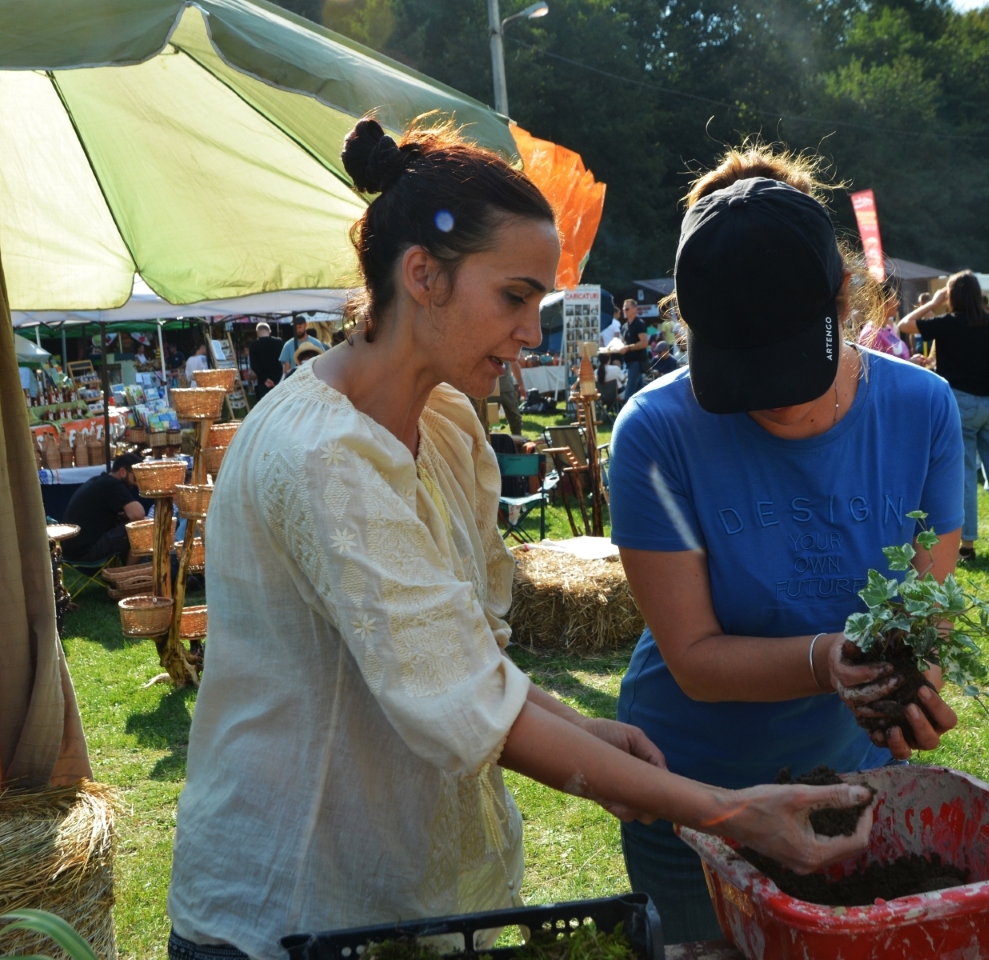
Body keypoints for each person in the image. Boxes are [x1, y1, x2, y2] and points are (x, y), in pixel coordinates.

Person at [167, 118, 875, 960]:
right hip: (288, 909)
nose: (533, 332)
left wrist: (579, 724)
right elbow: (466, 708)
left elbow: (463, 652)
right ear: (422, 275)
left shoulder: (444, 422)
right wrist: (724, 810)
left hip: (396, 901)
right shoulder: (326, 456)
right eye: (514, 296)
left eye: (538, 301)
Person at [609, 146, 963, 945]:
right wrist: (825, 661)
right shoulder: (655, 434)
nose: (770, 404)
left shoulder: (923, 411)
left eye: (788, 369)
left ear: (843, 297)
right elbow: (695, 656)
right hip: (694, 798)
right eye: (743, 373)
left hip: (849, 785)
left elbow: (926, 607)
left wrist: (913, 685)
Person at [900, 272, 989, 559]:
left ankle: (968, 545)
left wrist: (934, 302)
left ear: (951, 296)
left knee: (965, 477)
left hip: (960, 406)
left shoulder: (948, 324)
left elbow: (905, 325)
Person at [61, 453, 146, 562]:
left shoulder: (101, 481)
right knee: (142, 529)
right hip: (84, 552)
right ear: (122, 472)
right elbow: (138, 514)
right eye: (136, 478)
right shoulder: (113, 485)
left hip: (71, 551)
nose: (137, 484)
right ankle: (129, 576)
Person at [856, 294, 912, 360]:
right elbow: (875, 367)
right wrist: (910, 362)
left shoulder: (888, 328)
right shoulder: (870, 334)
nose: (898, 303)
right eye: (893, 299)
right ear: (881, 303)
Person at [615, 299, 650, 400]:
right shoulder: (625, 326)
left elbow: (644, 343)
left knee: (629, 393)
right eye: (623, 309)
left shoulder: (639, 324)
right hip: (629, 362)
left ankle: (628, 415)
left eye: (627, 309)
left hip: (637, 362)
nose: (624, 311)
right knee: (640, 393)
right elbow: (623, 341)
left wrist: (628, 348)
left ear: (635, 309)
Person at [247, 321, 285, 402]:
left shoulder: (253, 345)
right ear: (269, 331)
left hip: (262, 381)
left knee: (265, 406)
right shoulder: (279, 342)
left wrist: (264, 379)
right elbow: (283, 360)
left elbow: (253, 365)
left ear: (257, 332)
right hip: (278, 379)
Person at [280, 315, 313, 379]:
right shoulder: (288, 345)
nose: (298, 330)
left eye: (300, 327)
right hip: (295, 381)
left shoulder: (316, 343)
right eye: (295, 328)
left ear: (306, 325)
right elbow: (286, 369)